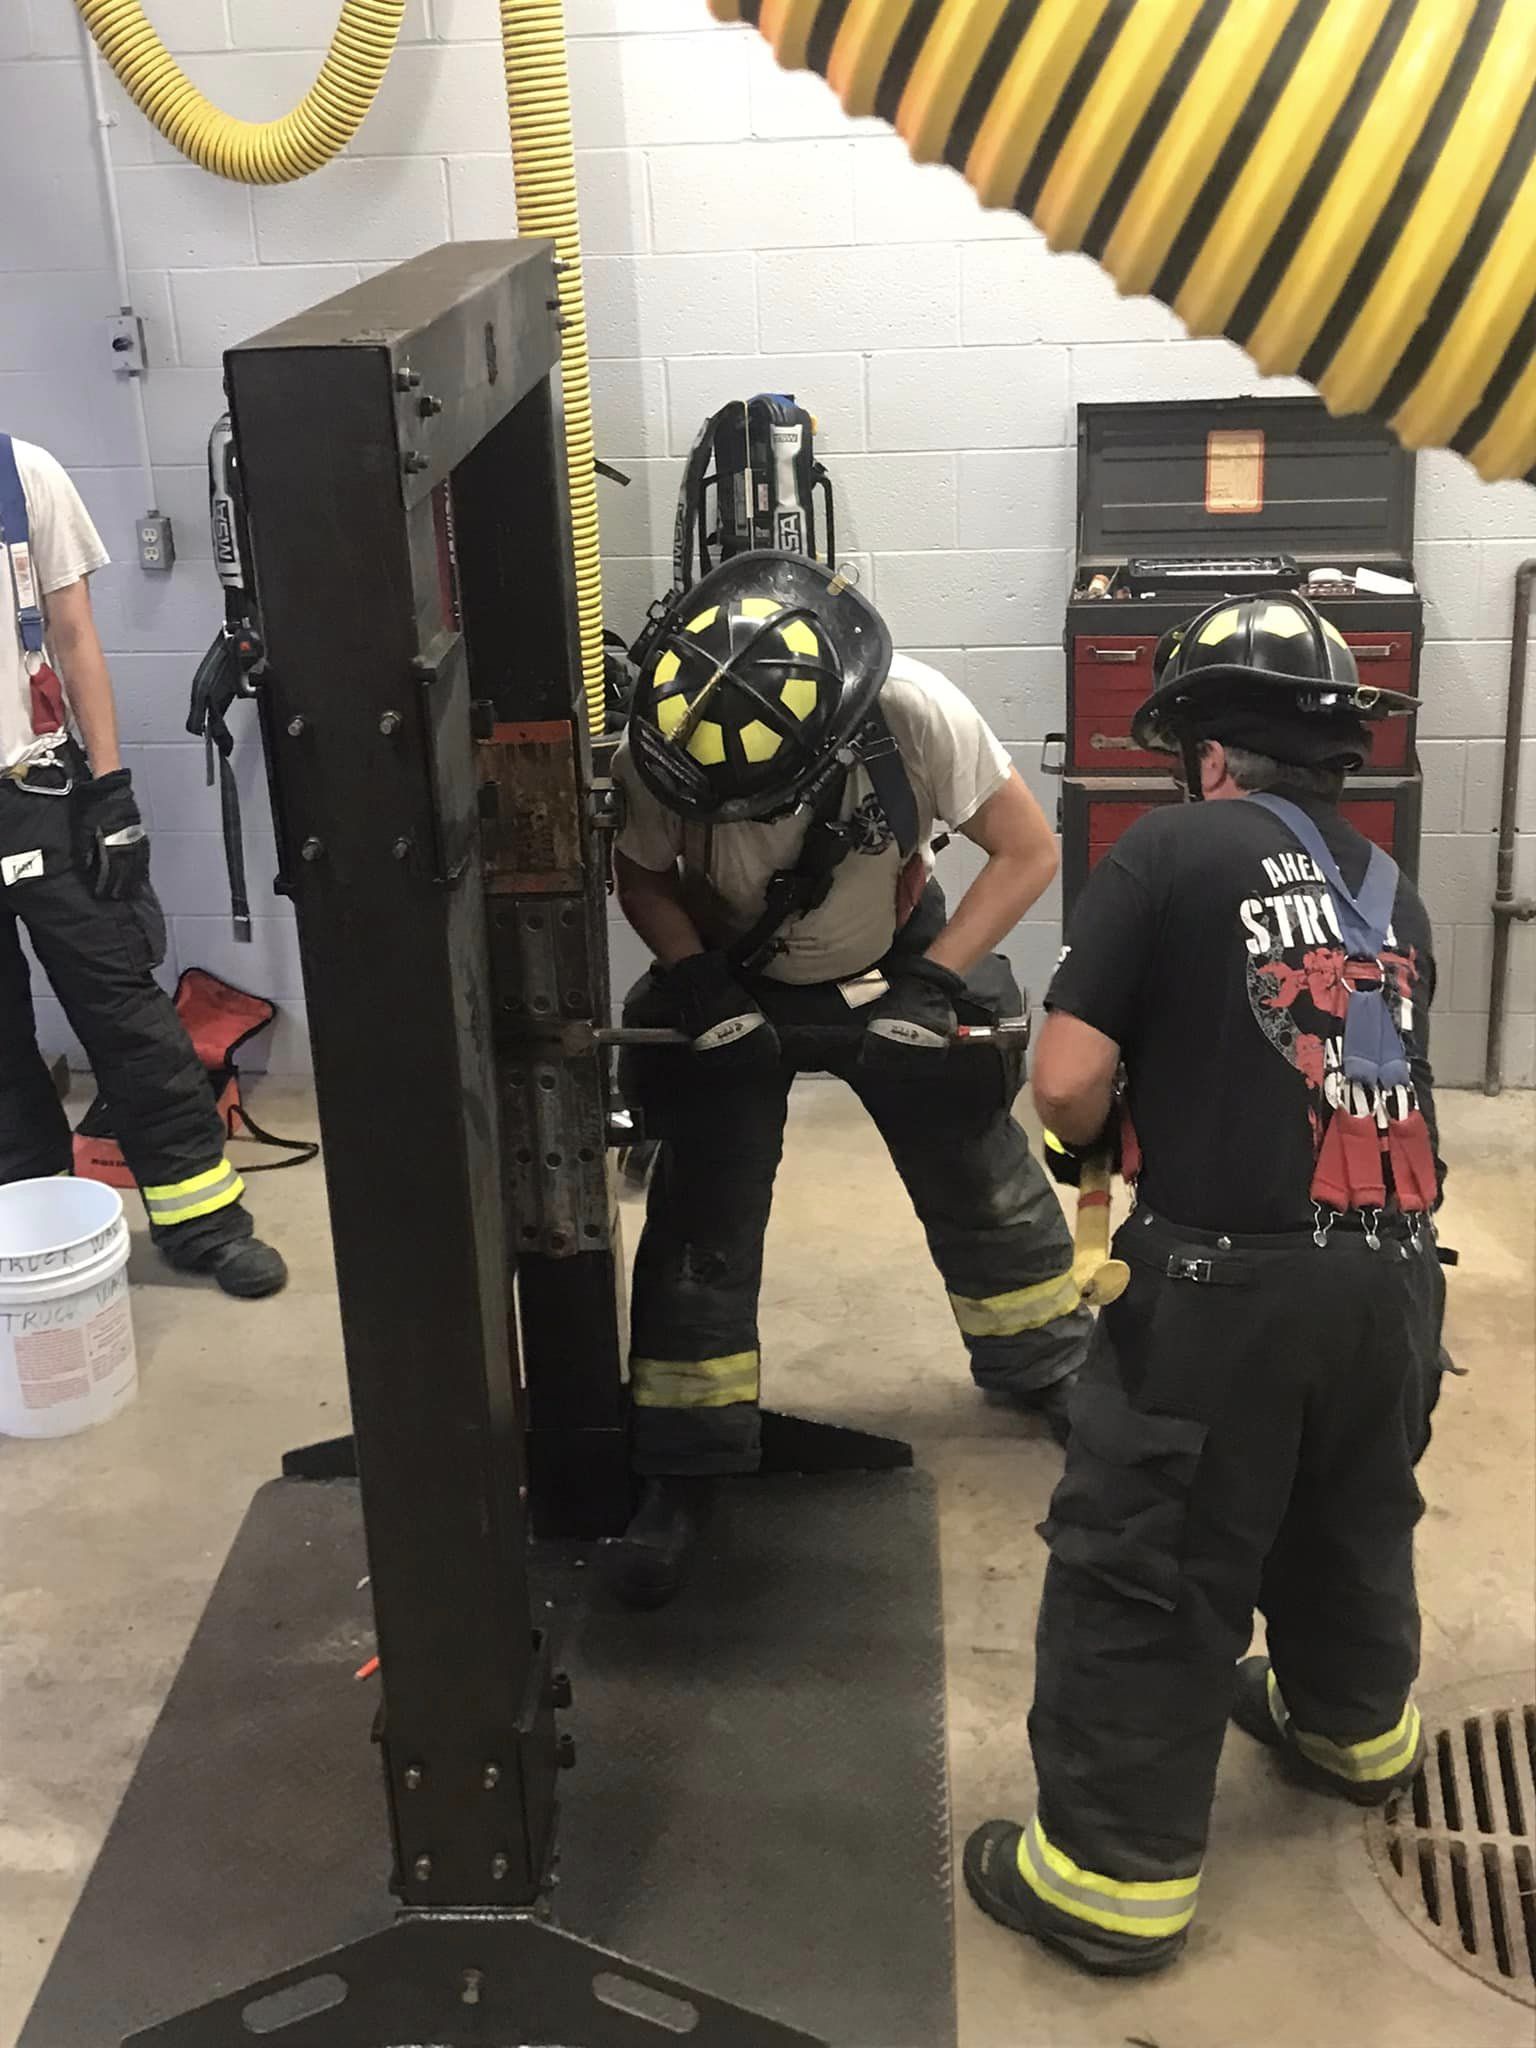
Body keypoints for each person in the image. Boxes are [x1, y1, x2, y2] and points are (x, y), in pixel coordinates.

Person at [964, 592, 1444, 1975]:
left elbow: (1064, 1082)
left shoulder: (1167, 850)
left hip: (1224, 1295)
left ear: (1207, 754)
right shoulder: (1390, 883)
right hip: (1397, 1280)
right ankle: (1352, 1736)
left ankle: (1110, 1884)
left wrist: (1090, 1138)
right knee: (1348, 1512)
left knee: (1151, 1563)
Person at [604, 547, 1091, 1606]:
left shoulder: (916, 711)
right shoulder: (663, 740)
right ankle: (687, 1457)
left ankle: (1050, 1365)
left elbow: (1025, 849)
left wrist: (933, 984)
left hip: (895, 955)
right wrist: (693, 982)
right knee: (703, 1211)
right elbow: (640, 872)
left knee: (976, 1164)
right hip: (736, 973)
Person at [0, 434, 285, 1298]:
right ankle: (31, 1228)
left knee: (123, 1006)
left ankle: (202, 1220)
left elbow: (74, 633)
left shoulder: (24, 475)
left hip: (38, 789)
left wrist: (113, 790)